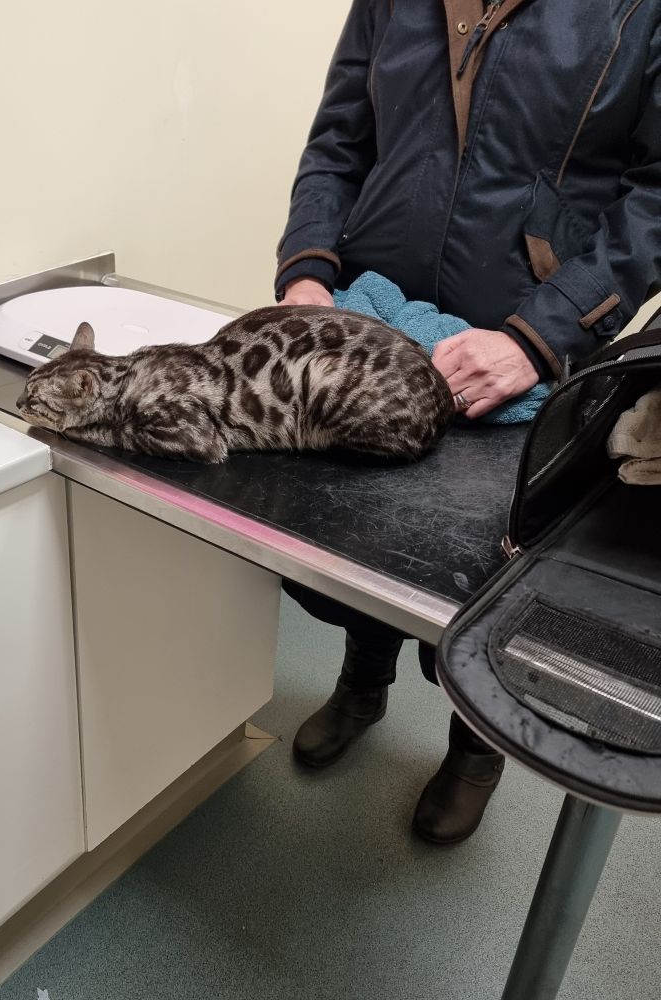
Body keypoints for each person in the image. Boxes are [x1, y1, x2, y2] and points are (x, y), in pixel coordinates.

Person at [275, 0, 661, 843]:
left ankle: (473, 743)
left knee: (485, 560)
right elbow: (339, 138)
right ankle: (361, 682)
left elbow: (655, 199)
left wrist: (540, 336)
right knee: (357, 528)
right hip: (376, 329)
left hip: (525, 339)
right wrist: (306, 272)